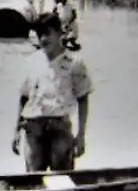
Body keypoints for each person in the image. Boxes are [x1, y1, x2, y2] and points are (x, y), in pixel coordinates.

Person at [12, 13, 93, 172]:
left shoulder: (74, 63)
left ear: (59, 33)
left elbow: (83, 99)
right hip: (33, 125)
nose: (43, 39)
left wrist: (81, 135)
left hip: (59, 125)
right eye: (39, 35)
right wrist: (16, 132)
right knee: (33, 178)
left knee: (62, 176)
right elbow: (24, 98)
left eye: (47, 33)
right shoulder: (31, 61)